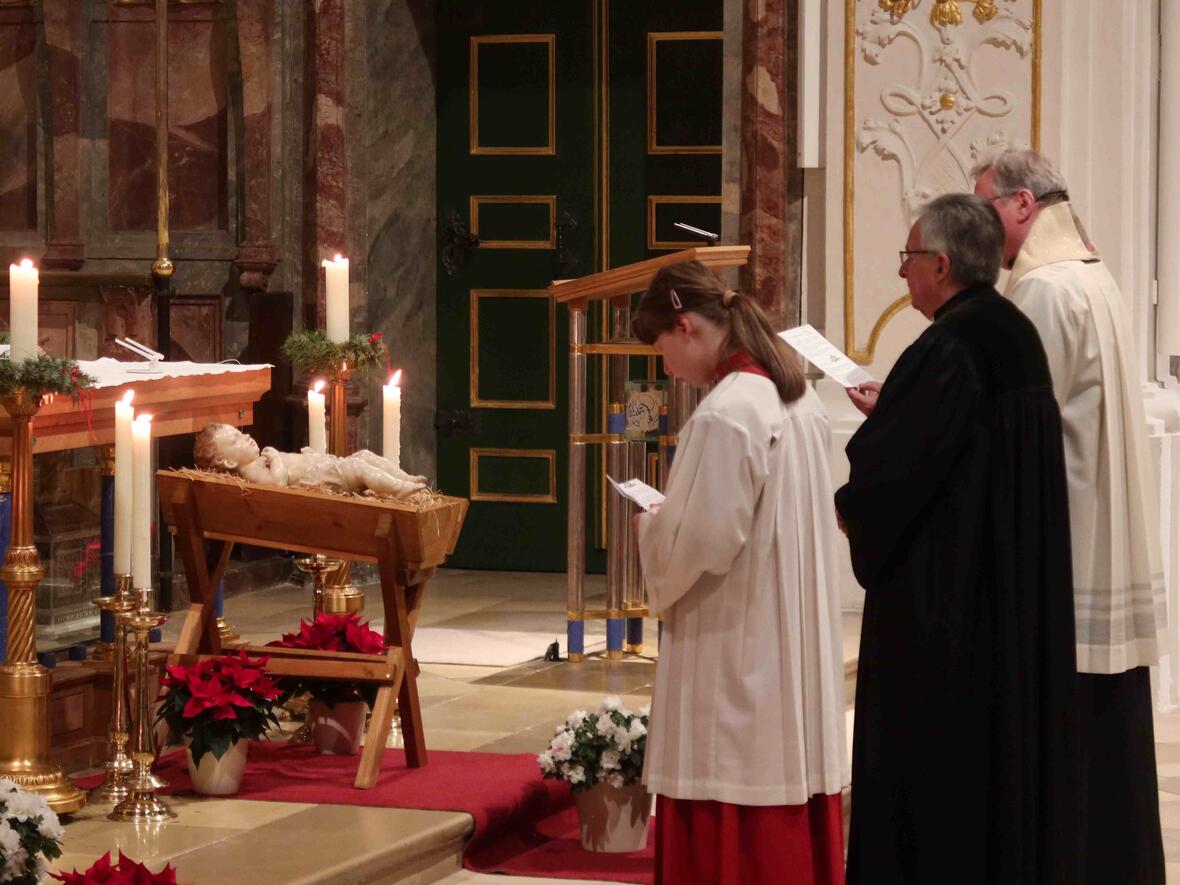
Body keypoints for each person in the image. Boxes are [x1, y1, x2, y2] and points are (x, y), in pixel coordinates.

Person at [837, 194, 1079, 882]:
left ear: (940, 264)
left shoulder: (948, 344)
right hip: (1007, 600)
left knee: (939, 788)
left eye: (908, 259)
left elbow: (895, 473)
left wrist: (850, 505)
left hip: (950, 616)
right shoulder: (1010, 333)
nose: (902, 274)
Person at [974, 147, 1166, 884]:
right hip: (1098, 530)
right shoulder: (1092, 272)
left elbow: (1016, 418)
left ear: (1025, 204)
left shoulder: (1046, 291)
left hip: (1070, 541)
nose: (981, 226)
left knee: (1074, 736)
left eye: (987, 206)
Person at [632, 261, 848, 885]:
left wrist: (653, 528)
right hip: (789, 640)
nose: (665, 366)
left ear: (686, 327)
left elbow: (704, 540)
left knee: (731, 773)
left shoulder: (728, 411)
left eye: (662, 348)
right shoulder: (797, 395)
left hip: (738, 640)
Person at [193, 423, 427, 498]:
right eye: (236, 440)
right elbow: (278, 484)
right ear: (230, 462)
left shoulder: (256, 461)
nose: (246, 437)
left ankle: (405, 477)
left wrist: (309, 457)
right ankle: (400, 489)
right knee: (359, 467)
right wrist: (276, 459)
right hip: (328, 479)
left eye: (241, 433)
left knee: (364, 456)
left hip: (324, 468)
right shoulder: (251, 472)